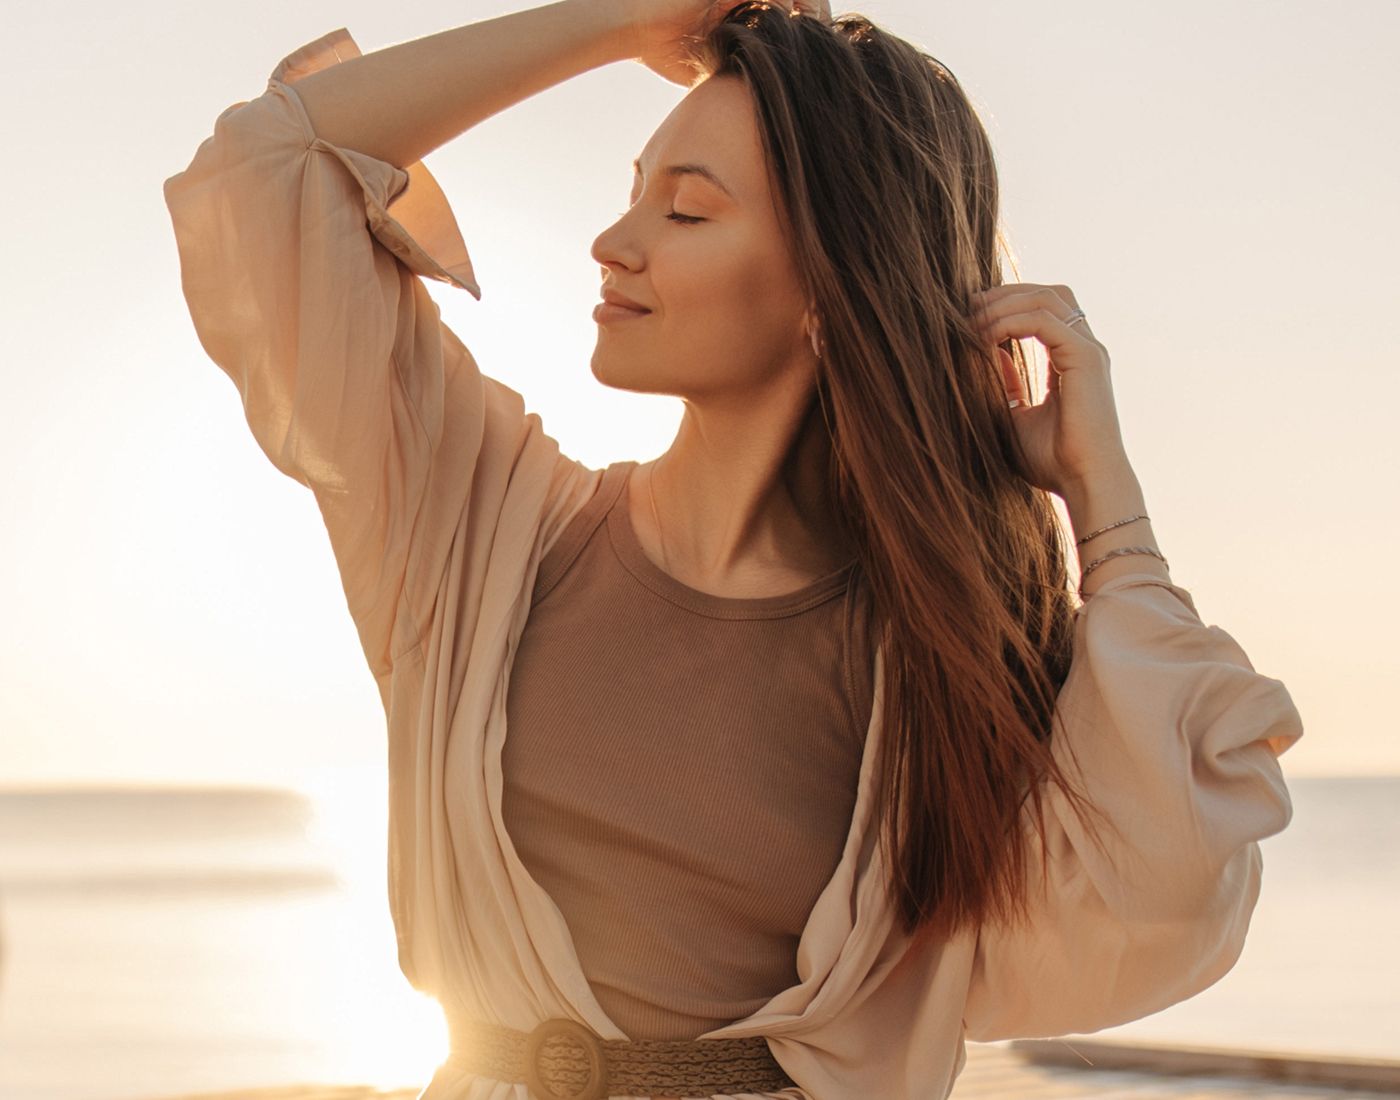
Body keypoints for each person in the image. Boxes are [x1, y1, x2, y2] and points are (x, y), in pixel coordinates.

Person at [161, 1, 1305, 1097]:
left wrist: (1105, 504)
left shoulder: (943, 652)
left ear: (826, 291)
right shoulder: (475, 523)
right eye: (631, 195)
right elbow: (269, 168)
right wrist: (619, 20)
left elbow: (1165, 896)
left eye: (687, 212)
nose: (614, 243)